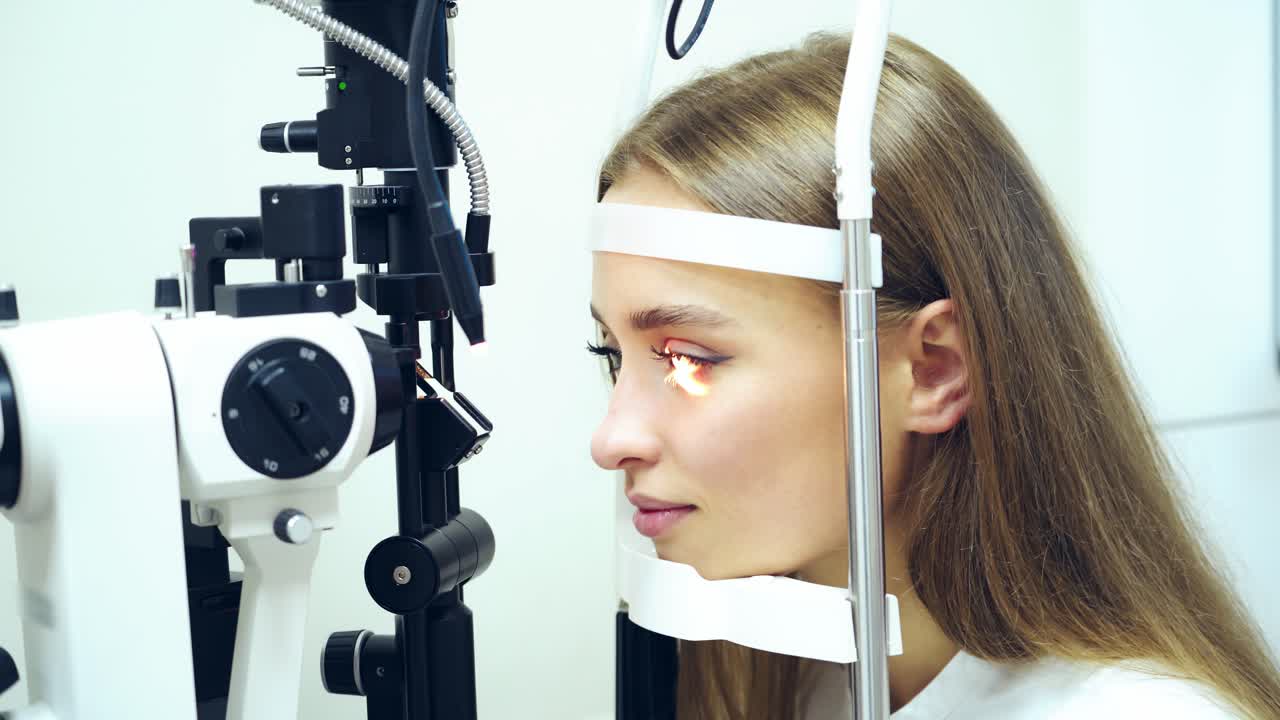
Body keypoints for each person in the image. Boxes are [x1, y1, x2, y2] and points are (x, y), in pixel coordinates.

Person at [586, 32, 1280, 719]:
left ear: (934, 369)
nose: (611, 438)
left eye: (686, 359)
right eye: (613, 354)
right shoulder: (801, 678)